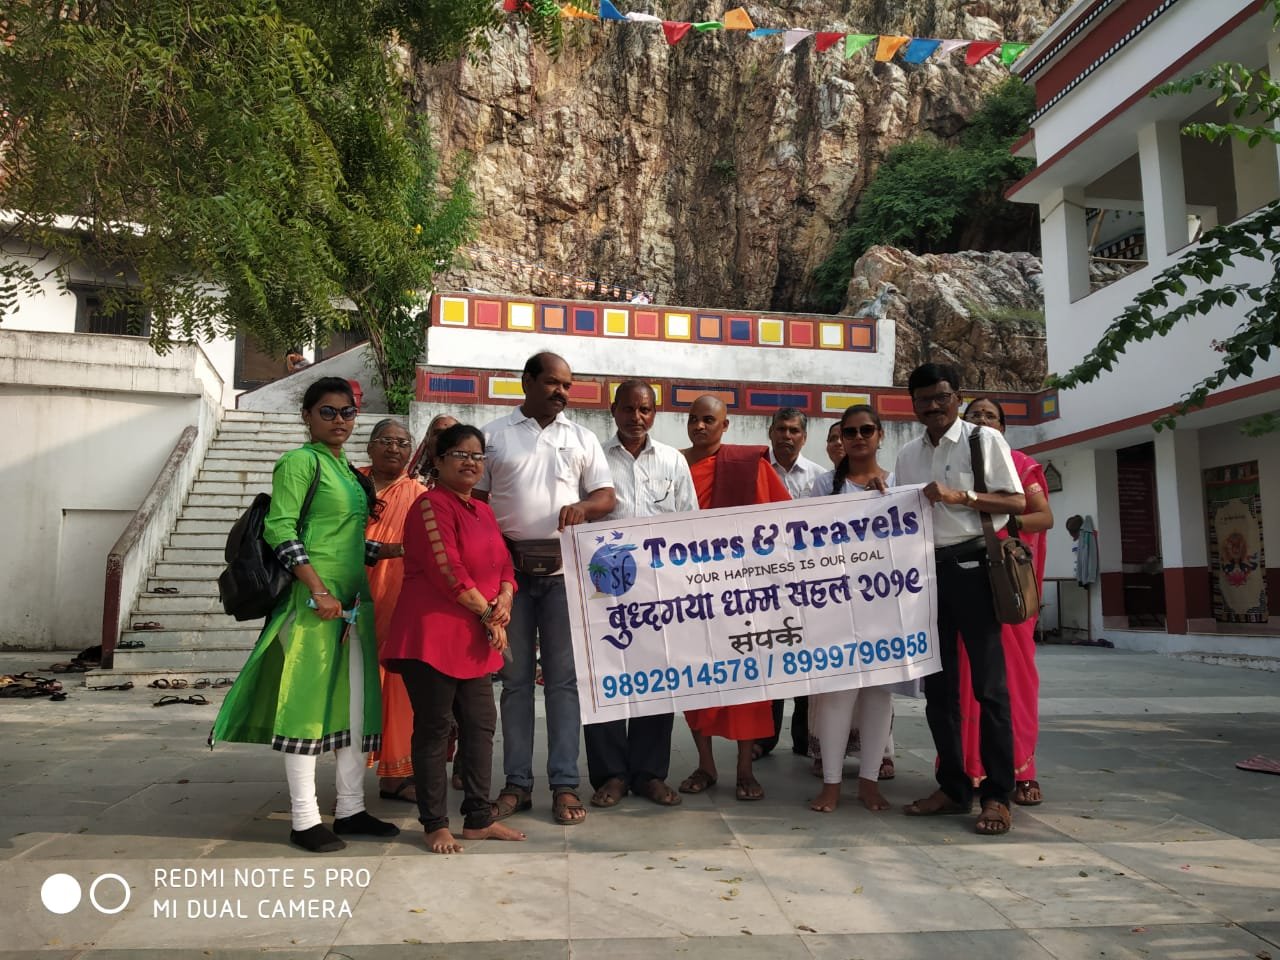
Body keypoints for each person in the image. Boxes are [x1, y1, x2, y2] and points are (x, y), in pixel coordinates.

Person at [210, 377, 400, 853]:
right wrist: (316, 589)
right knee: (306, 707)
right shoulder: (299, 463)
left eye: (348, 413)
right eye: (328, 412)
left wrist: (400, 550)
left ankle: (352, 808)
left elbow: (348, 540)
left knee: (355, 708)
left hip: (355, 605)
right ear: (307, 416)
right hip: (314, 608)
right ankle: (304, 817)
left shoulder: (348, 473)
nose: (340, 421)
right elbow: (281, 529)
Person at [478, 352, 616, 826]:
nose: (562, 392)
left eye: (568, 385)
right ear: (527, 382)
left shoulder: (581, 437)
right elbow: (475, 502)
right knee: (514, 684)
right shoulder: (493, 436)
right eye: (553, 383)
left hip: (563, 578)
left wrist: (584, 507)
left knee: (562, 684)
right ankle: (517, 784)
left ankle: (565, 784)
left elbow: (606, 495)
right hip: (508, 579)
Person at [382, 424, 527, 853]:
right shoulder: (430, 506)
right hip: (430, 637)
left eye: (478, 456)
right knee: (434, 729)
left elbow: (504, 563)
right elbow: (447, 570)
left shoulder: (482, 511)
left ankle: (479, 818)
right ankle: (434, 824)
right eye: (460, 454)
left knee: (481, 725)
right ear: (439, 460)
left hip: (474, 639)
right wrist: (489, 613)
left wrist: (504, 598)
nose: (470, 462)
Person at [895, 363, 1025, 836]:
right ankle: (952, 788)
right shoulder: (907, 453)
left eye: (942, 397)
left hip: (975, 567)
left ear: (958, 396)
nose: (933, 406)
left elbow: (1016, 504)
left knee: (990, 689)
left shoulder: (983, 440)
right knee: (939, 690)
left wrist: (960, 495)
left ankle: (997, 795)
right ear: (912, 403)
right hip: (928, 575)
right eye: (924, 399)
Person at [585, 381, 698, 810]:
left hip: (659, 593)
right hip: (603, 592)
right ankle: (611, 774)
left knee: (657, 680)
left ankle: (650, 773)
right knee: (605, 678)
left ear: (656, 413)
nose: (636, 418)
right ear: (613, 410)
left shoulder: (673, 461)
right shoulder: (593, 458)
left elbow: (690, 524)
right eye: (628, 409)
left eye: (645, 410)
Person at [678, 395, 790, 802]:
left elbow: (782, 519)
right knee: (696, 682)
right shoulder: (673, 465)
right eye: (694, 419)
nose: (700, 426)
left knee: (748, 684)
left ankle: (745, 770)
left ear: (725, 426)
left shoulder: (749, 465)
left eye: (709, 420)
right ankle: (706, 765)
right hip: (688, 593)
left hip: (743, 594)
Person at [959, 398, 1054, 807]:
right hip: (962, 580)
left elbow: (1043, 516)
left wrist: (999, 519)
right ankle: (971, 769)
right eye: (973, 415)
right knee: (967, 681)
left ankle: (1022, 769)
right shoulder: (952, 467)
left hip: (1006, 585)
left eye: (989, 416)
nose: (981, 420)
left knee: (1014, 678)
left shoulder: (1021, 463)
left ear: (1003, 428)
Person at [807, 404, 903, 812]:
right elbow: (803, 542)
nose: (859, 438)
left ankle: (868, 781)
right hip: (834, 603)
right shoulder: (821, 486)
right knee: (837, 693)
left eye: (867, 430)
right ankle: (831, 783)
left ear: (880, 434)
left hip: (885, 602)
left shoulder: (900, 485)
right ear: (841, 439)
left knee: (878, 693)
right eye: (850, 432)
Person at [359, 419, 428, 805]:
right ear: (370, 446)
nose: (394, 448)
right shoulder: (349, 484)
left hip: (398, 602)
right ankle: (348, 777)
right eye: (385, 440)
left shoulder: (419, 495)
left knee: (398, 690)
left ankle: (395, 777)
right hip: (347, 596)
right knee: (351, 690)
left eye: (403, 443)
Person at [754, 407, 826, 760]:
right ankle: (762, 739)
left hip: (805, 585)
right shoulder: (752, 470)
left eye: (794, 430)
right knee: (767, 659)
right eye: (781, 429)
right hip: (761, 583)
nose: (787, 436)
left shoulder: (819, 479)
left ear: (804, 436)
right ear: (769, 432)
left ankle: (804, 738)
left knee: (804, 660)